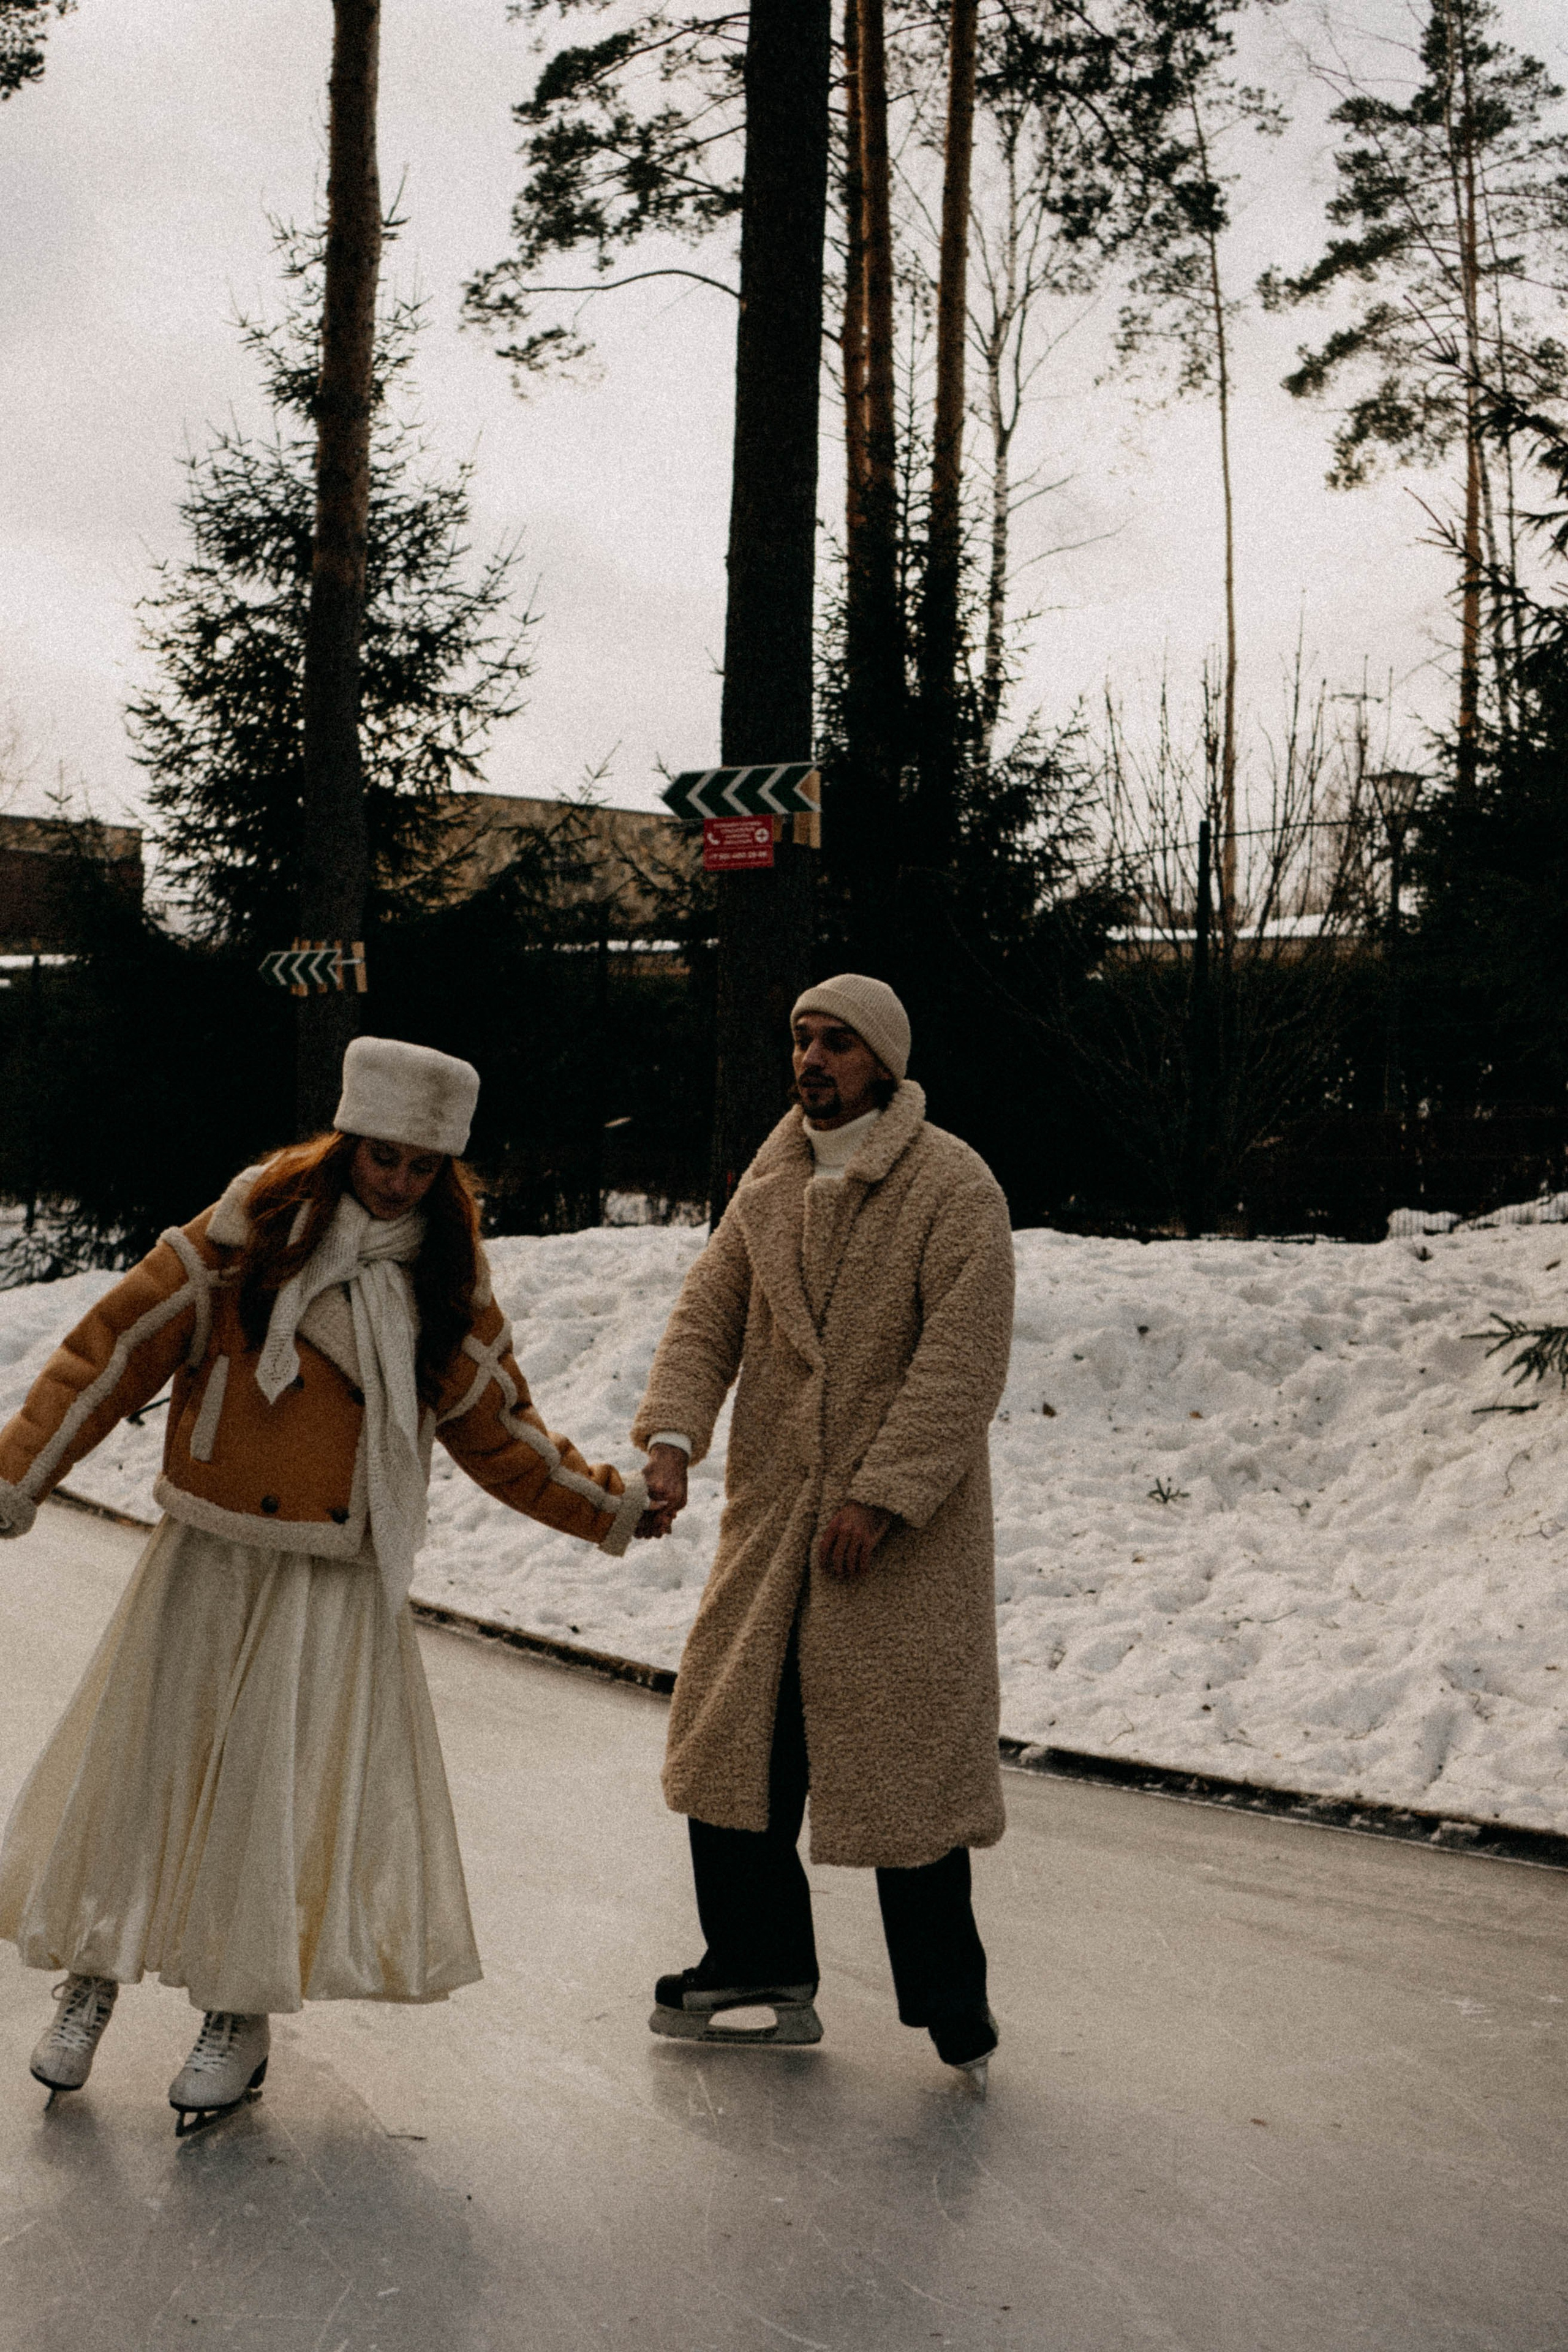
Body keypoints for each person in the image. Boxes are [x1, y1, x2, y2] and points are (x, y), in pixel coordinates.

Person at [0, 1036, 649, 2130]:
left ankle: (236, 2014)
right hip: (209, 1554)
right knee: (147, 1764)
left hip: (332, 1579)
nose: (395, 1182)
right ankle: (91, 1981)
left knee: (269, 1799)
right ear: (347, 1139)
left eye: (420, 1167)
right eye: (381, 1156)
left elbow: (501, 1435)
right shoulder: (243, 1233)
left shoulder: (445, 1285)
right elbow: (110, 1349)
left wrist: (609, 1507)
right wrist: (19, 1471)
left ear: (446, 1173)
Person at [633, 975, 1015, 2089]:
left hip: (900, 1541)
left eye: (836, 1043)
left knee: (905, 1771)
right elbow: (709, 1311)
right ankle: (756, 1963)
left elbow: (964, 1357)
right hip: (774, 1518)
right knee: (731, 1741)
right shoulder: (776, 1174)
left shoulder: (952, 1185)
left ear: (883, 1061)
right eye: (801, 1038)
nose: (811, 1059)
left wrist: (884, 1495)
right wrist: (672, 1437)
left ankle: (953, 2003)